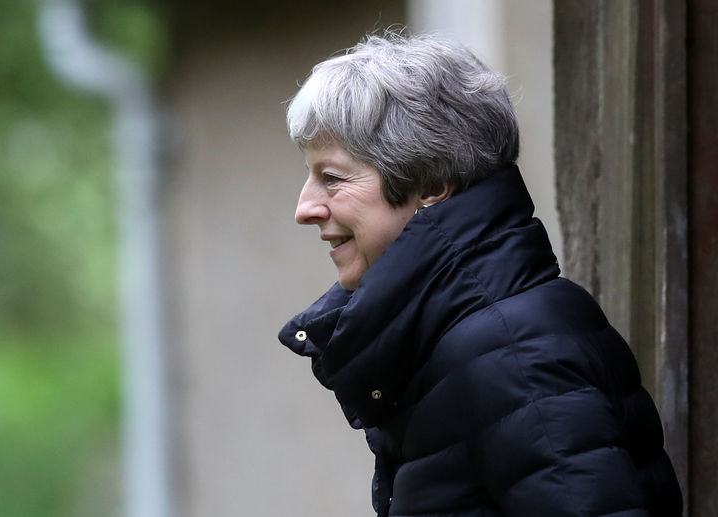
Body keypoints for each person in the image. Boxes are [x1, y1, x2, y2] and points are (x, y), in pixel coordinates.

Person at [277, 32, 683, 517]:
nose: (305, 208)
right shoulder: (464, 339)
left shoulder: (512, 351)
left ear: (430, 183)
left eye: (333, 177)